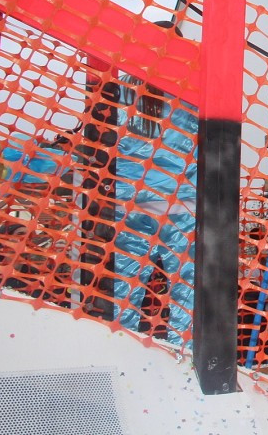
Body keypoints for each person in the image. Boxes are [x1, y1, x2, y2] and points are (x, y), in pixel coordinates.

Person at [109, 72, 199, 347]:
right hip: (180, 203)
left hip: (129, 202)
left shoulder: (119, 89)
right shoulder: (191, 92)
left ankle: (121, 351)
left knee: (123, 289)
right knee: (187, 293)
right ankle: (184, 356)